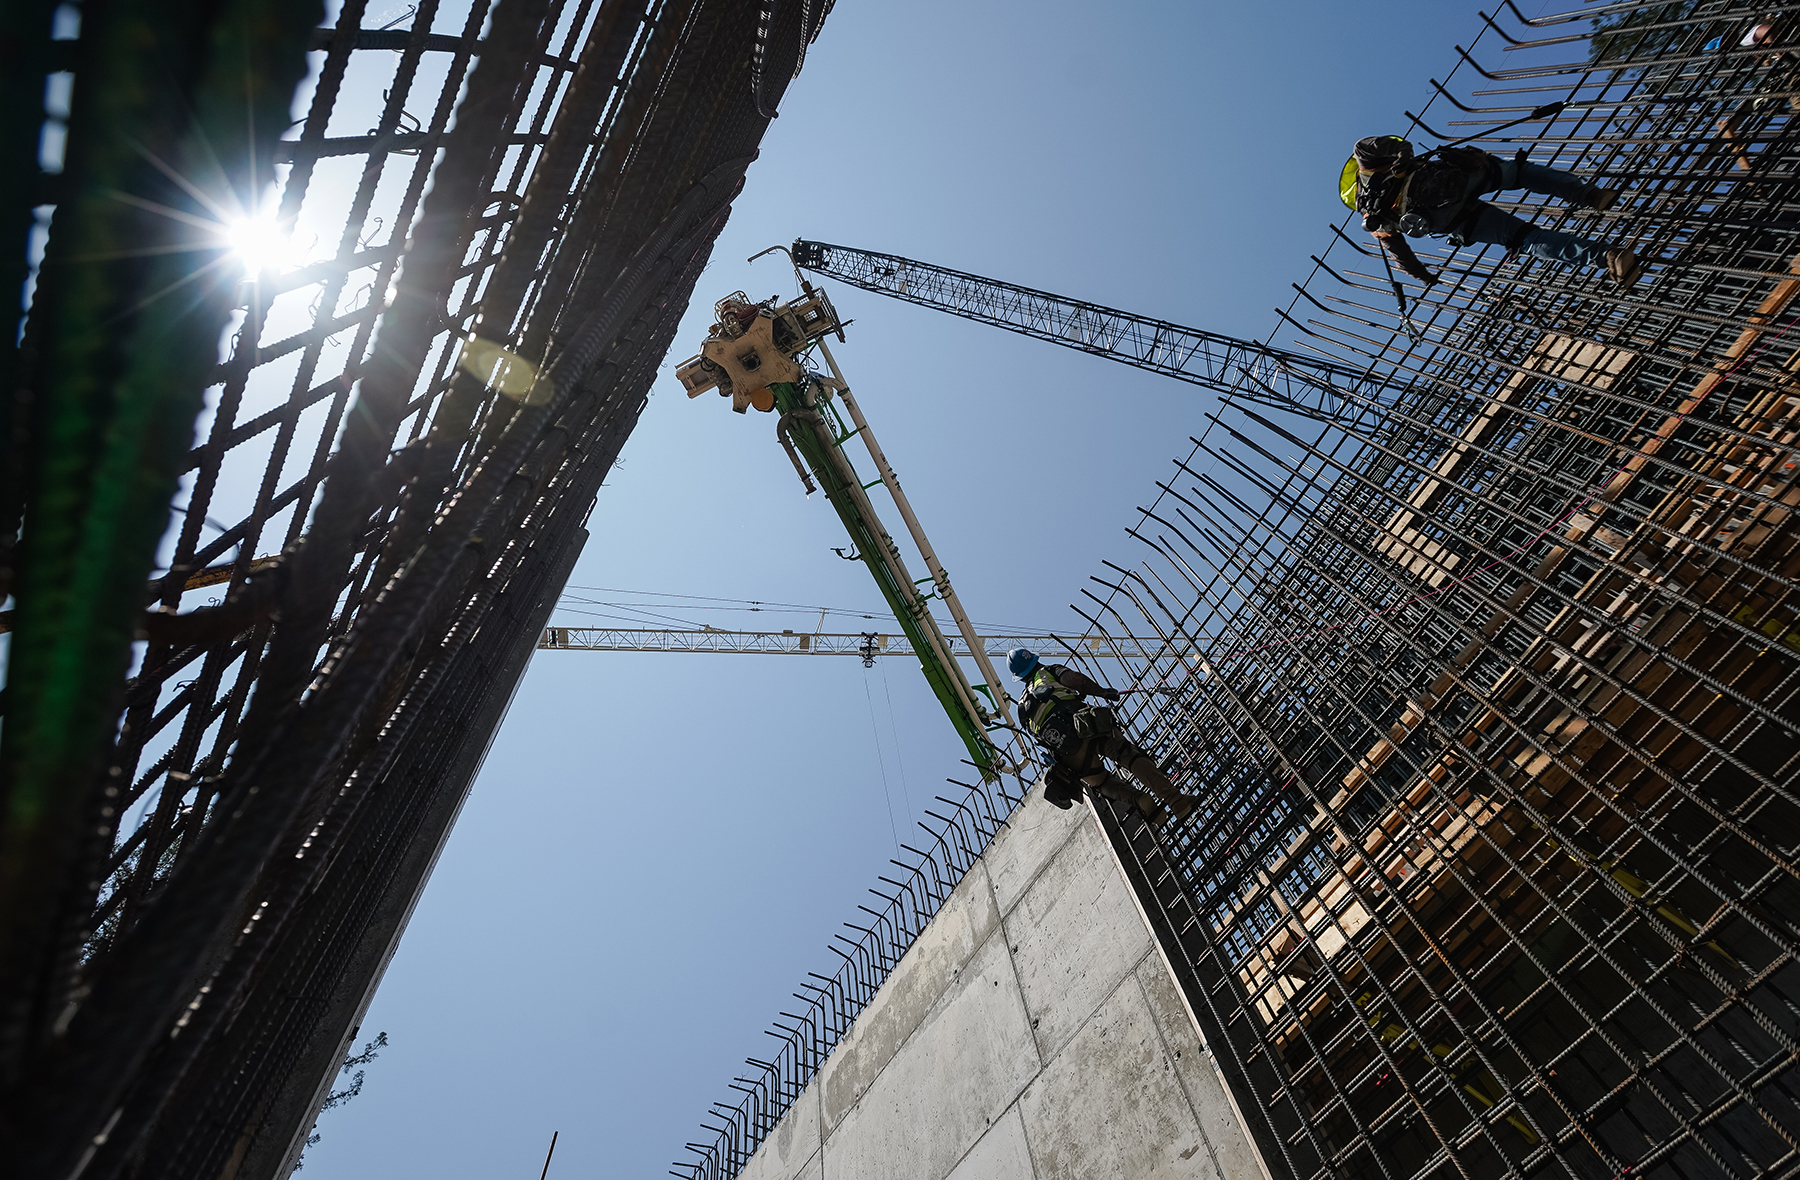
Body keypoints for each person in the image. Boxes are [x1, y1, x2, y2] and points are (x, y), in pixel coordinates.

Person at [1350, 135, 1641, 288]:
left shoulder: (1369, 214)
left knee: (1523, 237)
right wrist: (1404, 156)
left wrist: (1425, 277)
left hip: (1443, 219)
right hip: (1450, 179)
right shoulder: (1364, 161)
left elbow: (1400, 255)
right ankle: (1588, 194)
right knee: (1517, 174)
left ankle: (1608, 258)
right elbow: (1384, 145)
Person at [1007, 648, 1193, 824]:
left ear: (1020, 677)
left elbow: (1039, 739)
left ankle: (1141, 800)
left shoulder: (1022, 709)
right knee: (1126, 754)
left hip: (1067, 751)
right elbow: (1076, 680)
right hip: (1084, 723)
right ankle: (1176, 801)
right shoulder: (1048, 671)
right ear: (1033, 660)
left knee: (1101, 782)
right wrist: (1102, 692)